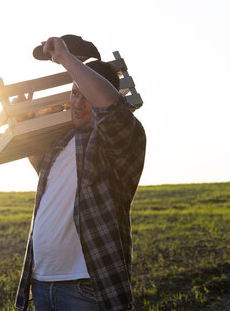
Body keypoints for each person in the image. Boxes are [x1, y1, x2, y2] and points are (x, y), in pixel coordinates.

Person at [14, 36, 146, 311]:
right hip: (42, 282)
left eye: (86, 96)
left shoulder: (120, 139)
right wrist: (24, 124)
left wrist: (65, 57)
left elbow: (110, 106)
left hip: (87, 287)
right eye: (74, 93)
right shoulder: (63, 141)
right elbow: (44, 174)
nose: (77, 102)